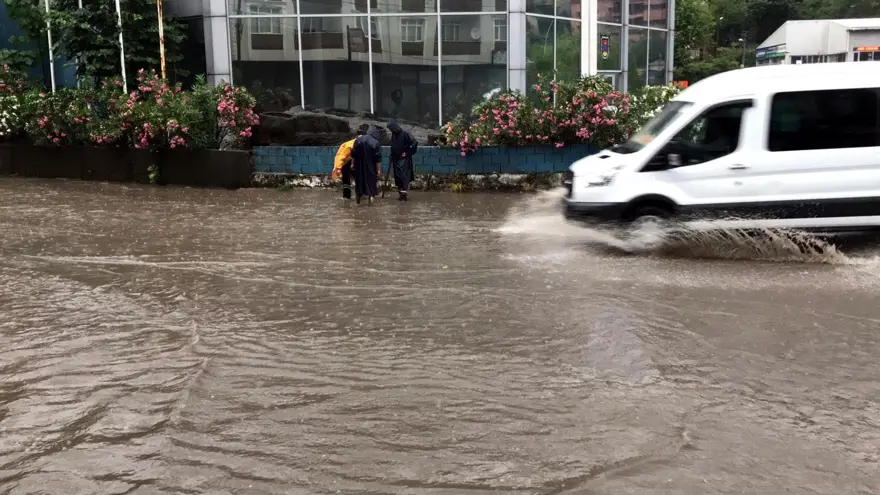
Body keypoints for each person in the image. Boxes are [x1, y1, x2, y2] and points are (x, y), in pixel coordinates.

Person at [387, 120, 418, 201]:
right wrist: (391, 154)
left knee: (403, 175)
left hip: (404, 159)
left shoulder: (405, 134)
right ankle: (401, 194)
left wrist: (407, 153)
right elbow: (393, 145)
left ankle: (404, 194)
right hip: (396, 158)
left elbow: (414, 143)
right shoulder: (394, 134)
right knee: (398, 176)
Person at [352, 125, 382, 205]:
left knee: (359, 182)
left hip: (359, 166)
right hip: (371, 167)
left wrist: (352, 164)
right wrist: (379, 170)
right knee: (371, 184)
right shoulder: (375, 142)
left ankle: (358, 200)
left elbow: (353, 154)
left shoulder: (358, 140)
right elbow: (378, 159)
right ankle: (370, 202)